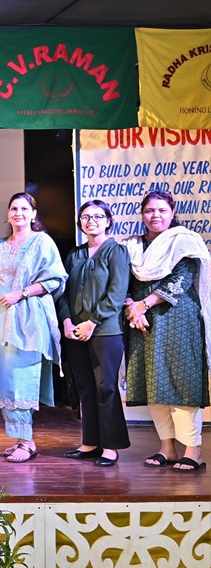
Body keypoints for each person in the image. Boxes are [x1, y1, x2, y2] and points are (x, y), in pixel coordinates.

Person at [123, 190, 210, 472]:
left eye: (162, 210)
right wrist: (132, 307)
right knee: (154, 384)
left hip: (177, 318)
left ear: (172, 212)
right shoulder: (132, 246)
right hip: (142, 321)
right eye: (149, 210)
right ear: (142, 214)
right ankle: (167, 449)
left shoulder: (184, 241)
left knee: (182, 384)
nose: (155, 215)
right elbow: (123, 281)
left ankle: (193, 451)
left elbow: (181, 280)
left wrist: (143, 305)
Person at [0, 192, 67, 463]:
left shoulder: (42, 241)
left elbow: (55, 279)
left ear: (33, 214)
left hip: (28, 318)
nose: (18, 213)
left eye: (24, 209)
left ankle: (27, 441)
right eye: (13, 208)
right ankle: (20, 439)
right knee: (4, 377)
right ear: (8, 213)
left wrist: (20, 294)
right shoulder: (0, 246)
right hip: (1, 319)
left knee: (22, 377)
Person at [57, 200, 131, 467]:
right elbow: (63, 293)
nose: (91, 221)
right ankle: (90, 442)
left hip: (105, 331)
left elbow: (117, 293)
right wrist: (67, 321)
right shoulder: (74, 255)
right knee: (85, 387)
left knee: (106, 387)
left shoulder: (116, 251)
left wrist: (93, 322)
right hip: (75, 331)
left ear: (108, 221)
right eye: (86, 217)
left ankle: (110, 447)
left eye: (98, 216)